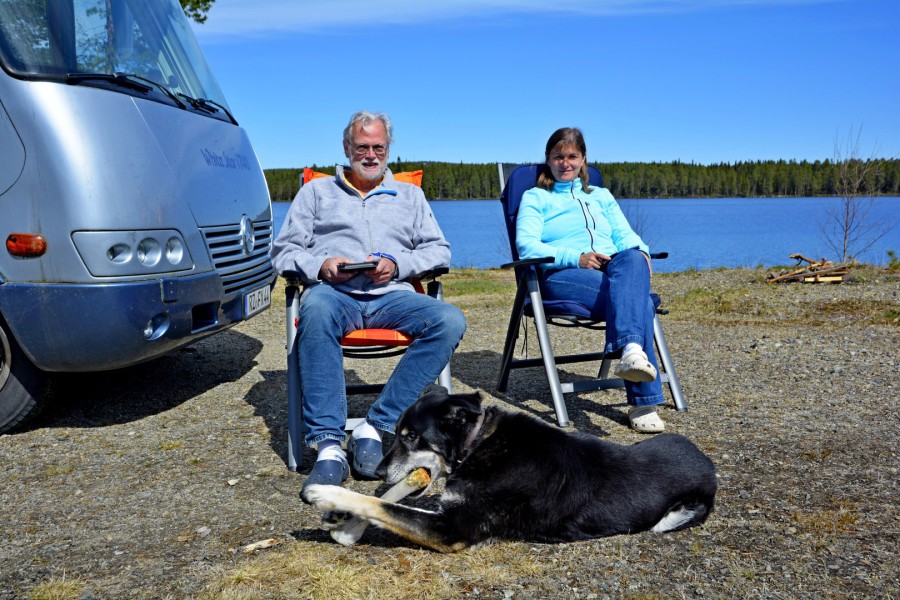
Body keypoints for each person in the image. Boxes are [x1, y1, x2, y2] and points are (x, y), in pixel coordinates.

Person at [272, 111, 467, 491]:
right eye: (362, 147)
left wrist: (397, 264)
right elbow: (283, 253)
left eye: (379, 147)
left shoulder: (410, 195)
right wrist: (321, 265)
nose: (371, 155)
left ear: (388, 148)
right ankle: (329, 447)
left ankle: (374, 427)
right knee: (315, 308)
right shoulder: (316, 192)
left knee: (449, 320)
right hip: (334, 294)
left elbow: (439, 251)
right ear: (347, 148)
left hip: (393, 297)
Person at [516, 127, 665, 433]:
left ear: (583, 159)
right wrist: (577, 257)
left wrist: (642, 251)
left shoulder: (601, 195)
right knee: (639, 303)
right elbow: (527, 247)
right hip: (563, 274)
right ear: (548, 159)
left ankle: (631, 352)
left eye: (572, 156)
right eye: (558, 157)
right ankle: (643, 403)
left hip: (612, 268)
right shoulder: (536, 198)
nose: (565, 163)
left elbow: (625, 235)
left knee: (633, 257)